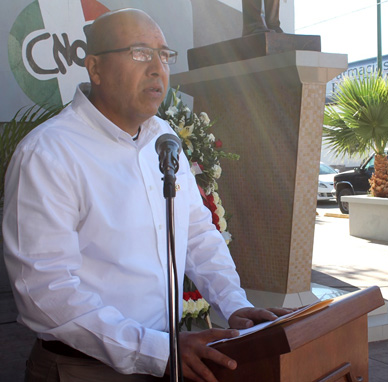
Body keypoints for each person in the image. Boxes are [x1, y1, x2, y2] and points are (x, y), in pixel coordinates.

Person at [2, 8, 291, 382]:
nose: (158, 68)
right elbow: (46, 293)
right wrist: (156, 351)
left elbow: (198, 235)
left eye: (164, 55)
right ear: (95, 68)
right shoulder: (48, 154)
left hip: (166, 356)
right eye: (140, 53)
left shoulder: (162, 137)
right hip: (82, 368)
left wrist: (235, 304)